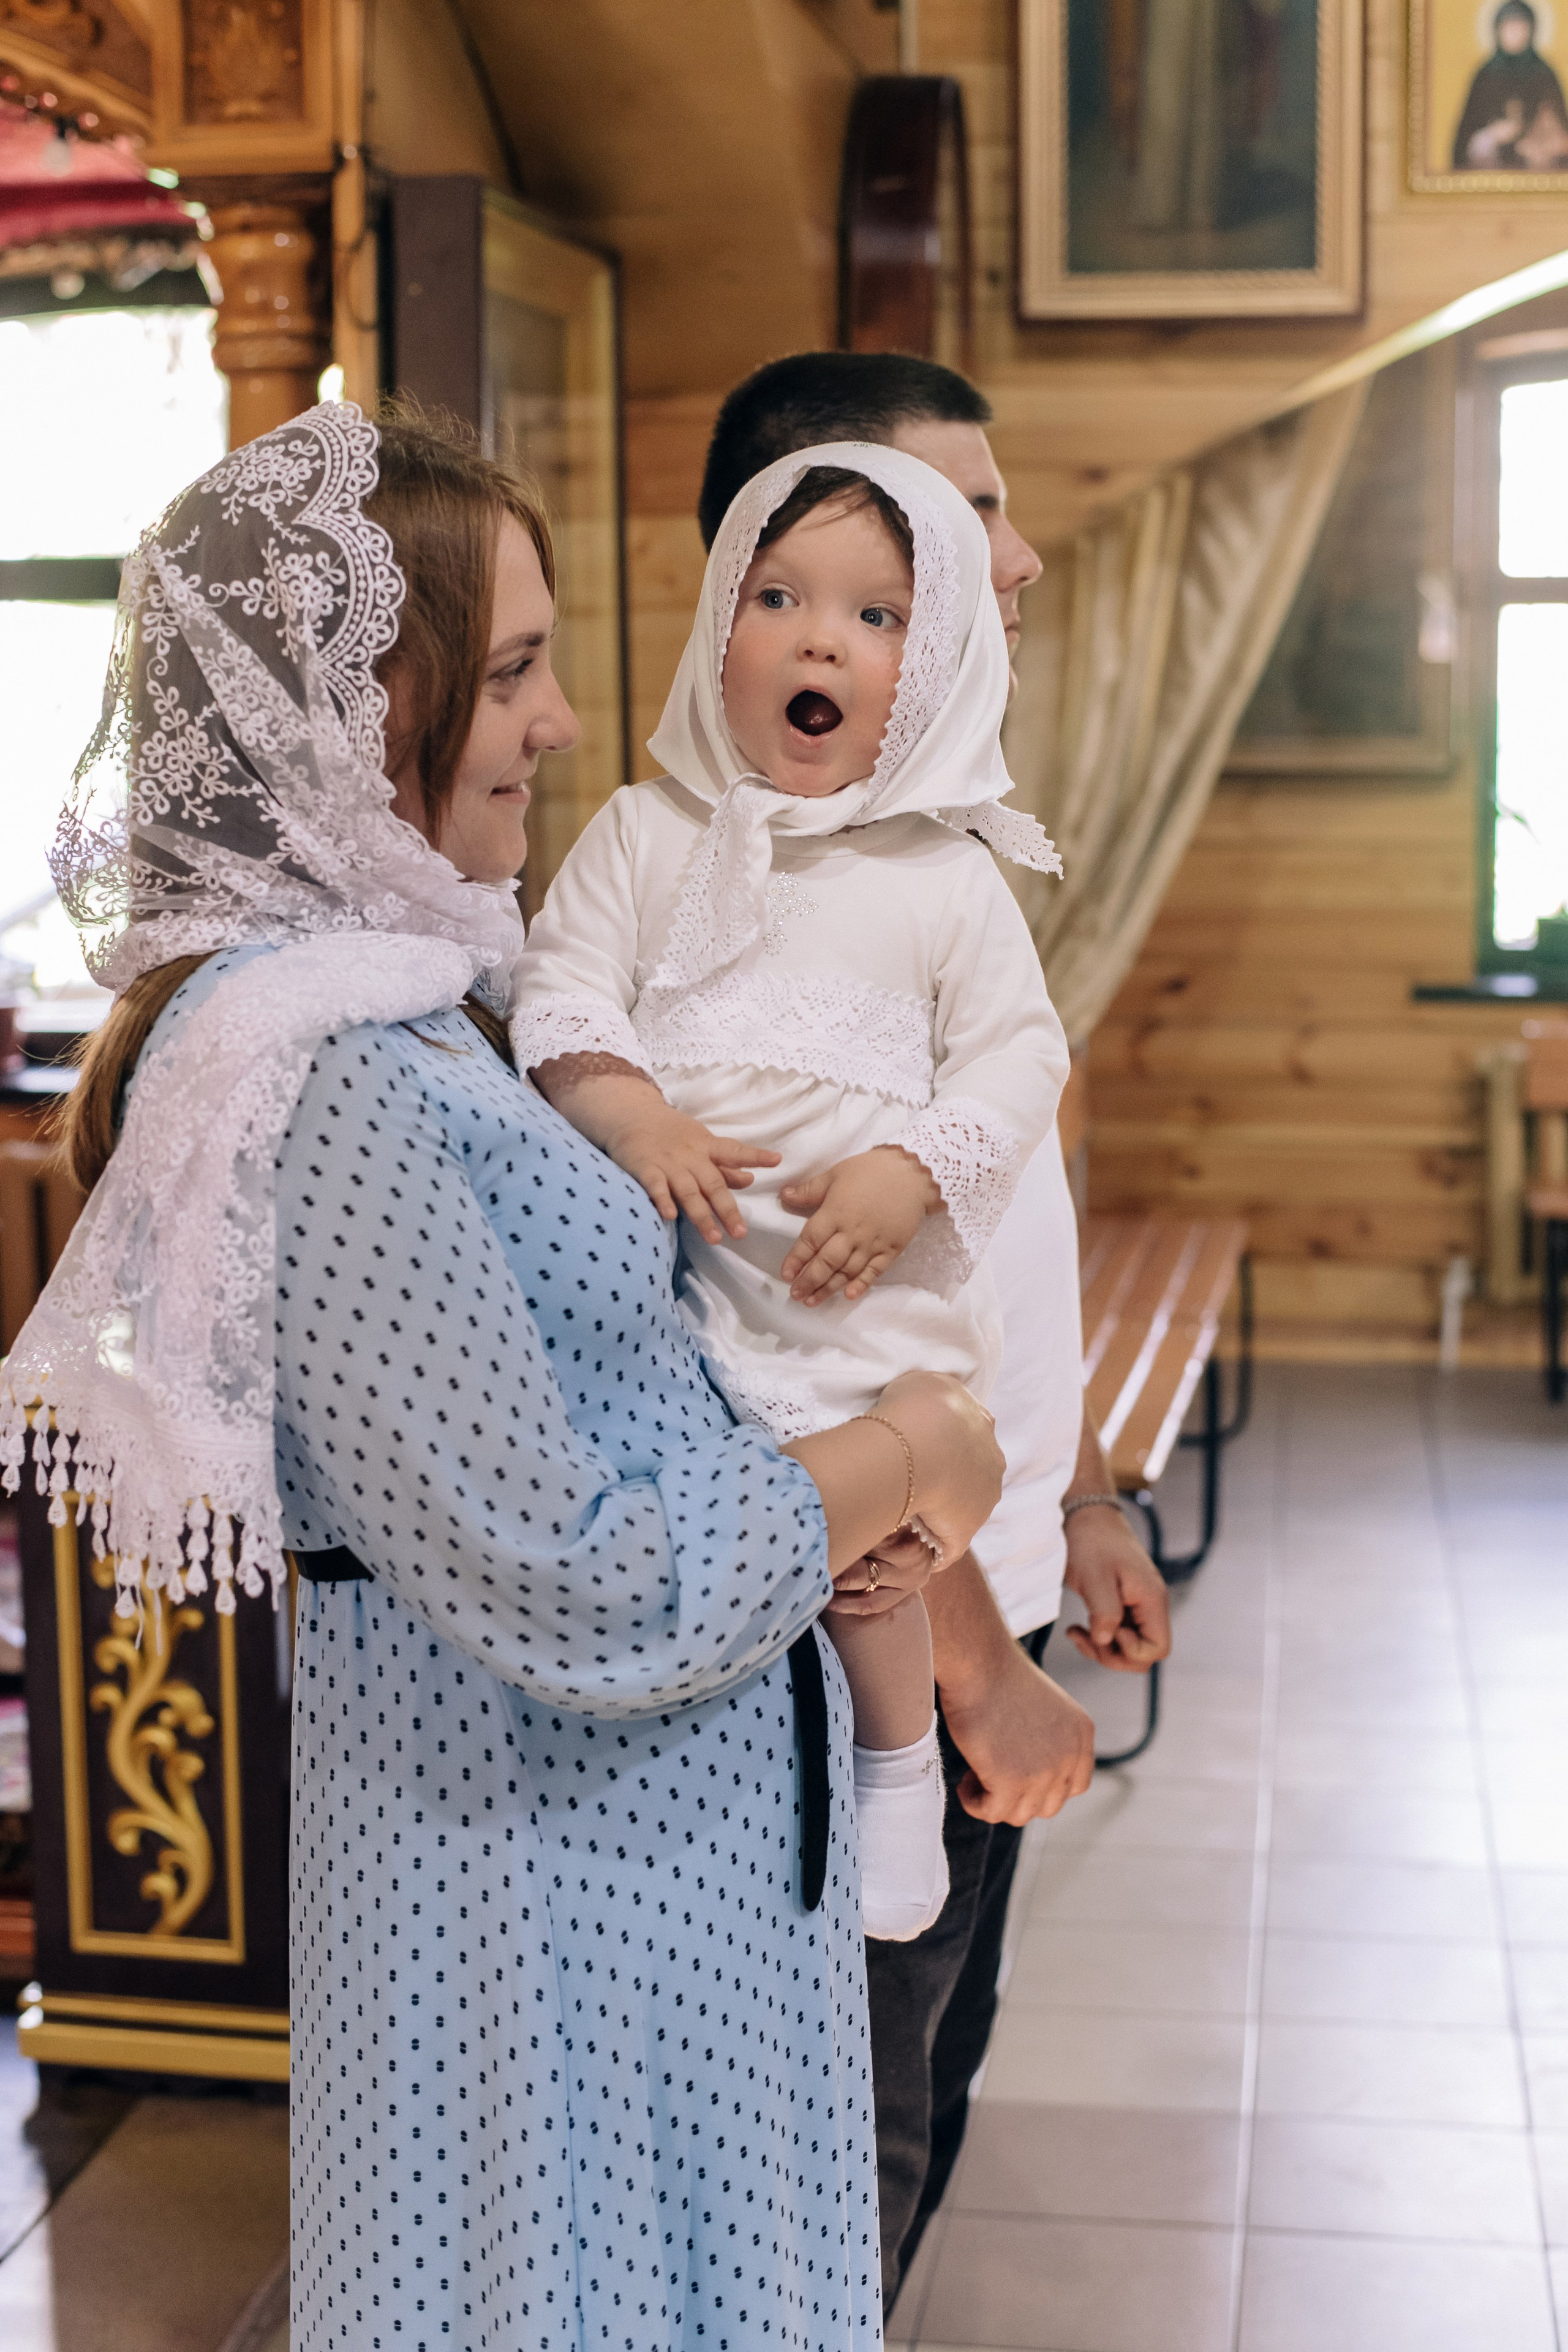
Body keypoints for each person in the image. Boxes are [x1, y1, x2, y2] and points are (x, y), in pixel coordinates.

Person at [0, 400, 1008, 2351]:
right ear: (358, 706)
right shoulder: (338, 1077)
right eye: (518, 671)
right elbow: (578, 1576)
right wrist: (905, 1447)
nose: (557, 722)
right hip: (550, 1909)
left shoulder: (414, 1001)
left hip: (640, 1878)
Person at [698, 353, 1174, 2303]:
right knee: (845, 2159)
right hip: (879, 1629)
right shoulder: (744, 892)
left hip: (985, 1551)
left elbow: (996, 1237)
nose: (1029, 557)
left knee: (925, 2105)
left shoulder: (932, 843)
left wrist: (1080, 1494)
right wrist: (976, 1662)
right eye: (973, 513)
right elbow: (785, 1343)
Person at [512, 445, 1069, 1943]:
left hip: (858, 1293)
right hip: (686, 1288)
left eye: (876, 617)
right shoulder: (644, 833)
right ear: (720, 631)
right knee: (718, 1534)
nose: (819, 637)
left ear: (933, 671)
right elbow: (558, 992)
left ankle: (896, 1771)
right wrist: (629, 1111)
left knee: (870, 1553)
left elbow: (1019, 1059)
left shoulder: (942, 879)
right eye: (778, 596)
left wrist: (909, 1168)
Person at [1452, 0, 1568, 171]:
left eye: (1520, 28)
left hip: (1537, 174)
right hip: (1491, 177)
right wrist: (1491, 136)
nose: (1514, 34)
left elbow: (1561, 131)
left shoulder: (1545, 75)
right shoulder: (1485, 76)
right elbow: (1462, 144)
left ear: (1532, 31)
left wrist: (1541, 142)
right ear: (1497, 31)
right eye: (1509, 28)